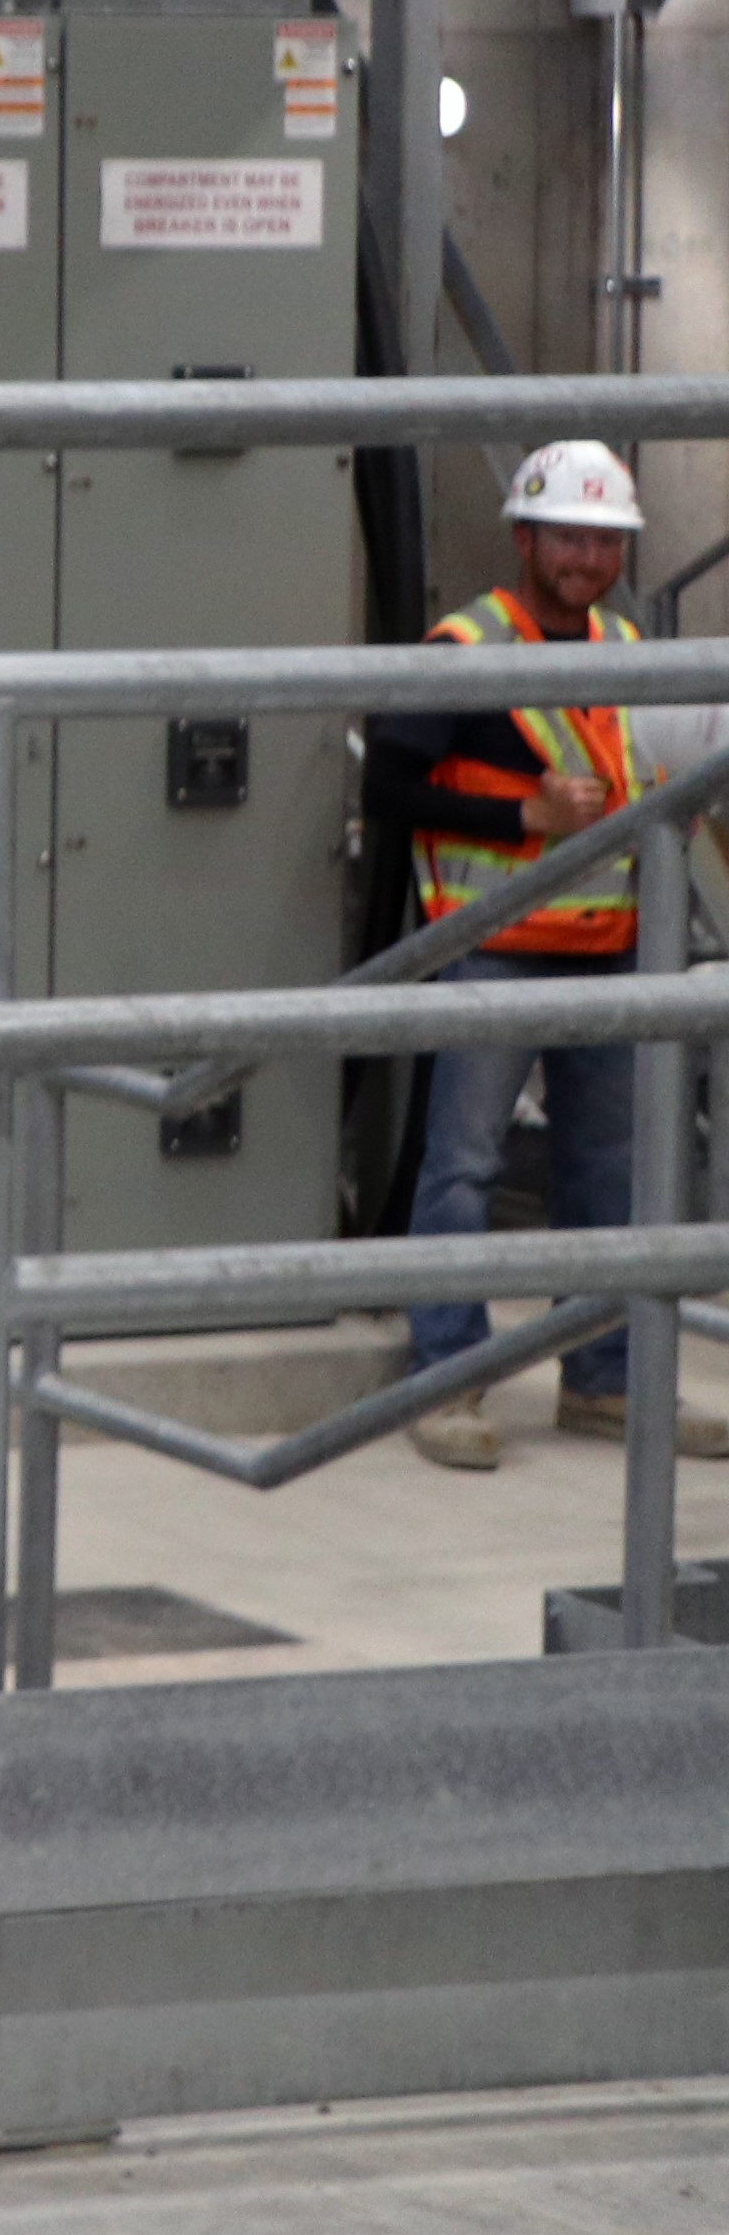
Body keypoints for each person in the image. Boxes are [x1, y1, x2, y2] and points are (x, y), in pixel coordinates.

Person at [378, 438, 727, 1469]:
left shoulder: (628, 644)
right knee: (463, 1171)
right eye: (569, 537)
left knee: (608, 1174)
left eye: (606, 541)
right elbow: (389, 788)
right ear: (525, 538)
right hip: (494, 949)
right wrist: (523, 812)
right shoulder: (466, 648)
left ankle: (605, 1379)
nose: (587, 557)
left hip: (613, 949)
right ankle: (446, 1378)